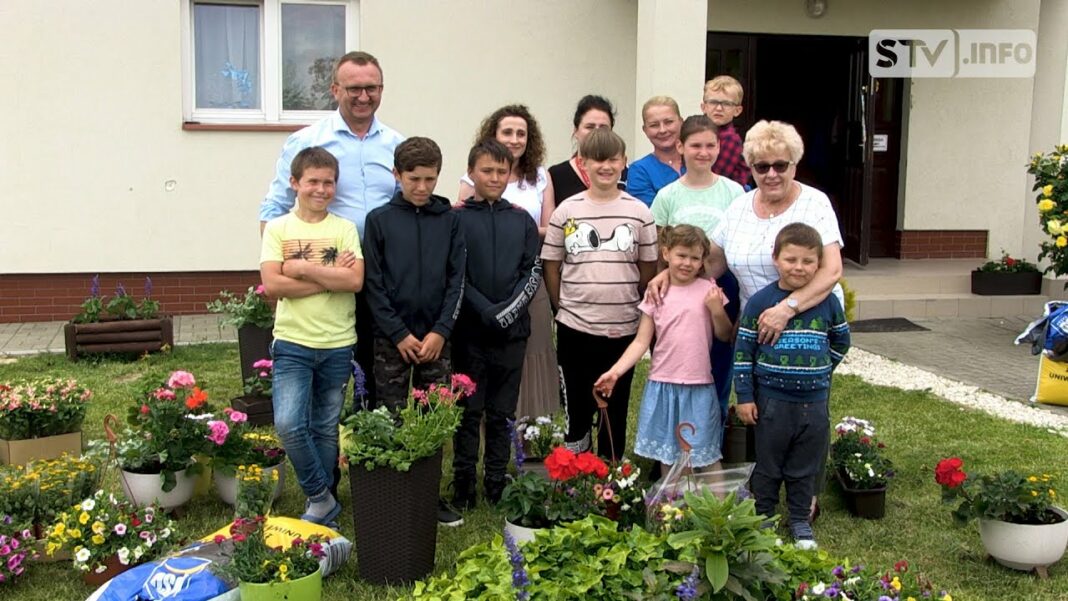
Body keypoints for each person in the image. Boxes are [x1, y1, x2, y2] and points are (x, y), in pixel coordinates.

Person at [648, 119, 845, 520]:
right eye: (761, 166)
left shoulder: (815, 203)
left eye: (781, 165)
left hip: (806, 320)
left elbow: (831, 270)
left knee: (804, 410)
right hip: (757, 325)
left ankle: (804, 497)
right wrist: (672, 272)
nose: (771, 174)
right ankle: (765, 489)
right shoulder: (739, 205)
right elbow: (713, 260)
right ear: (750, 168)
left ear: (795, 164)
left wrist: (788, 308)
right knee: (761, 406)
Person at [260, 51, 404, 412]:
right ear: (335, 89)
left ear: (382, 89)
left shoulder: (396, 145)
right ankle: (328, 452)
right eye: (353, 88)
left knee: (377, 366)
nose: (363, 96)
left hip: (384, 273)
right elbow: (274, 208)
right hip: (326, 270)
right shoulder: (308, 141)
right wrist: (272, 272)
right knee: (326, 373)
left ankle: (370, 448)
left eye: (371, 88)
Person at [362, 137, 466, 525]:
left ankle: (428, 494)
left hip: (437, 339)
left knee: (432, 418)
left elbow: (457, 280)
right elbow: (372, 284)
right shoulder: (379, 221)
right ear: (397, 175)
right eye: (413, 179)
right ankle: (389, 490)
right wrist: (398, 333)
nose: (422, 188)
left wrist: (441, 331)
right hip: (393, 339)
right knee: (388, 414)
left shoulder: (451, 221)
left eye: (430, 179)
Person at [260, 147, 364, 527]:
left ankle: (325, 505)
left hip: (337, 343)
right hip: (293, 342)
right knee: (288, 423)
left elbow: (354, 280)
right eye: (313, 182)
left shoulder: (344, 228)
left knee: (324, 426)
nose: (321, 189)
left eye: (328, 182)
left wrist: (300, 269)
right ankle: (319, 495)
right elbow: (272, 284)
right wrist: (328, 276)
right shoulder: (278, 228)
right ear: (295, 183)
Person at [733, 223, 851, 550]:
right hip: (771, 401)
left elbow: (842, 339)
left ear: (818, 264)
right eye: (791, 260)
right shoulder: (761, 303)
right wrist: (744, 396)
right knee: (767, 464)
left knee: (805, 465)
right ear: (775, 259)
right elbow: (743, 352)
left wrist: (822, 369)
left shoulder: (827, 303)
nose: (799, 268)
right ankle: (764, 517)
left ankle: (800, 520)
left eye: (808, 261)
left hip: (814, 404)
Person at [542, 128, 658, 459]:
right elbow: (552, 264)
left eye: (612, 159)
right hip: (575, 326)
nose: (605, 166)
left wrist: (635, 307)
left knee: (615, 405)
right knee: (577, 404)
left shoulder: (639, 213)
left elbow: (646, 269)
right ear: (583, 163)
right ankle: (575, 472)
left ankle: (610, 477)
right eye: (597, 160)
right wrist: (559, 305)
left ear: (624, 163)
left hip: (622, 327)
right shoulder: (567, 210)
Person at [594, 225, 731, 469]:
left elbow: (724, 334)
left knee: (707, 456)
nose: (687, 263)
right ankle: (670, 506)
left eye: (694, 258)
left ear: (702, 262)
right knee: (668, 457)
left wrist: (716, 309)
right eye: (681, 255)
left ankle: (718, 506)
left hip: (698, 384)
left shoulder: (709, 291)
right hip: (663, 383)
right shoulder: (657, 293)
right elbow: (641, 341)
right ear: (666, 253)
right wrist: (615, 371)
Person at [452, 139, 542, 508]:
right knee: (468, 411)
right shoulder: (455, 218)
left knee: (502, 411)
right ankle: (463, 484)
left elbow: (531, 272)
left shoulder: (521, 220)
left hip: (512, 332)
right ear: (471, 172)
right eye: (486, 170)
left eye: (501, 171)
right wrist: (484, 311)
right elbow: (454, 273)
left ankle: (495, 481)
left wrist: (506, 313)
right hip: (468, 333)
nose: (494, 177)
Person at [457, 105, 559, 421]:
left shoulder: (540, 176)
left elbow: (550, 228)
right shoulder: (472, 176)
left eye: (521, 134)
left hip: (528, 278)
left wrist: (518, 224)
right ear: (493, 135)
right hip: (484, 283)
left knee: (531, 351)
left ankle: (530, 430)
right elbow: (463, 220)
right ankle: (492, 428)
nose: (514, 140)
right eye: (507, 132)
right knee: (487, 357)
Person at [651, 115, 745, 419]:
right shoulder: (668, 196)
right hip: (678, 289)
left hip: (720, 286)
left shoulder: (733, 192)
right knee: (679, 361)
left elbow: (739, 241)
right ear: (680, 146)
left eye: (710, 145)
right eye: (695, 145)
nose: (703, 152)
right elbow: (659, 246)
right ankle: (671, 440)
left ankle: (710, 440)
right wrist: (663, 275)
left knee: (718, 361)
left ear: (719, 148)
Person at [548, 95, 627, 203]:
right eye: (590, 127)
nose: (596, 132)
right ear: (576, 131)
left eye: (603, 127)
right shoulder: (556, 175)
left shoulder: (624, 173)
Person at [626, 96, 684, 206]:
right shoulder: (640, 170)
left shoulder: (698, 160)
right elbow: (651, 215)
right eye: (654, 125)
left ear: (681, 122)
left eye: (669, 122)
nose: (662, 130)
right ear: (645, 130)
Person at [701, 76, 750, 188]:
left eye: (726, 104)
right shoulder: (699, 132)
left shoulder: (730, 139)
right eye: (713, 102)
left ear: (737, 111)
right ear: (704, 107)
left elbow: (715, 177)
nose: (719, 108)